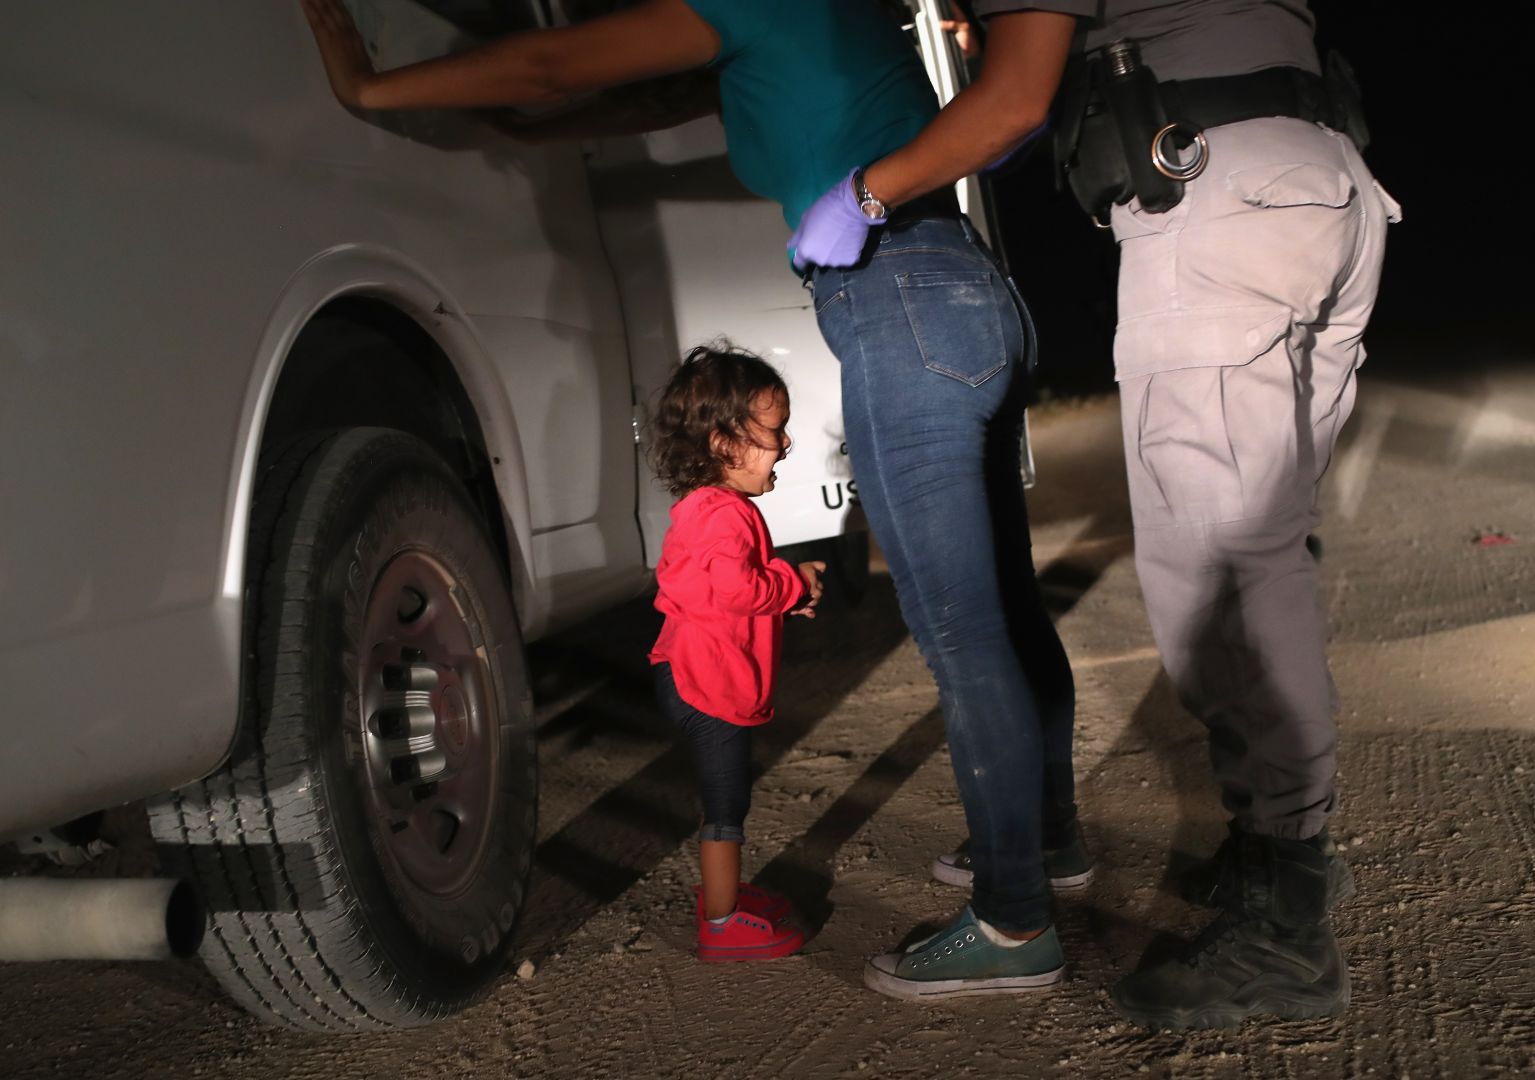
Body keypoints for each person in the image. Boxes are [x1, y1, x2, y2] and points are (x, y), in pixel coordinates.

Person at [300, 0, 1084, 1000]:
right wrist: (513, 126)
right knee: (1004, 613)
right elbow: (616, 97)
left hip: (895, 300)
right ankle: (1044, 843)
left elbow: (549, 66)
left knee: (960, 632)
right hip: (961, 290)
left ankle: (1015, 917)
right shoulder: (818, 18)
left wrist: (369, 87)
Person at [793, 0, 1398, 1030]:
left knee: (1219, 580)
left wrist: (864, 190)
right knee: (1267, 554)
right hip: (1325, 181)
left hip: (1220, 203)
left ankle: (1286, 931)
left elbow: (1014, 99)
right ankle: (1276, 863)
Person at [646, 345, 821, 962]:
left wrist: (782, 593)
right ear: (726, 444)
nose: (785, 445)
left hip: (687, 671)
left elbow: (720, 589)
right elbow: (734, 588)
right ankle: (720, 922)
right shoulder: (724, 515)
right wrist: (791, 584)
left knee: (727, 798)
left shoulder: (706, 509)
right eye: (774, 433)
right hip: (707, 683)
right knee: (726, 804)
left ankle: (726, 895)